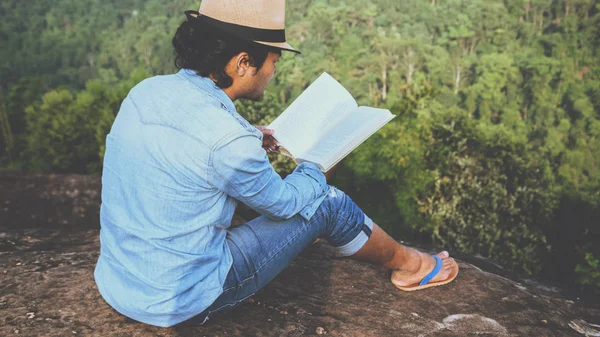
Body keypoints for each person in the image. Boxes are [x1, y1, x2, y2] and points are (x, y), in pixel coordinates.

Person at [94, 0, 459, 328]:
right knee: (326, 202)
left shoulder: (146, 91)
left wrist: (249, 135)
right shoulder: (227, 141)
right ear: (242, 63)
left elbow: (183, 146)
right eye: (272, 62)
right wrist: (316, 164)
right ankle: (412, 266)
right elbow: (284, 203)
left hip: (120, 282)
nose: (273, 72)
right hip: (184, 299)